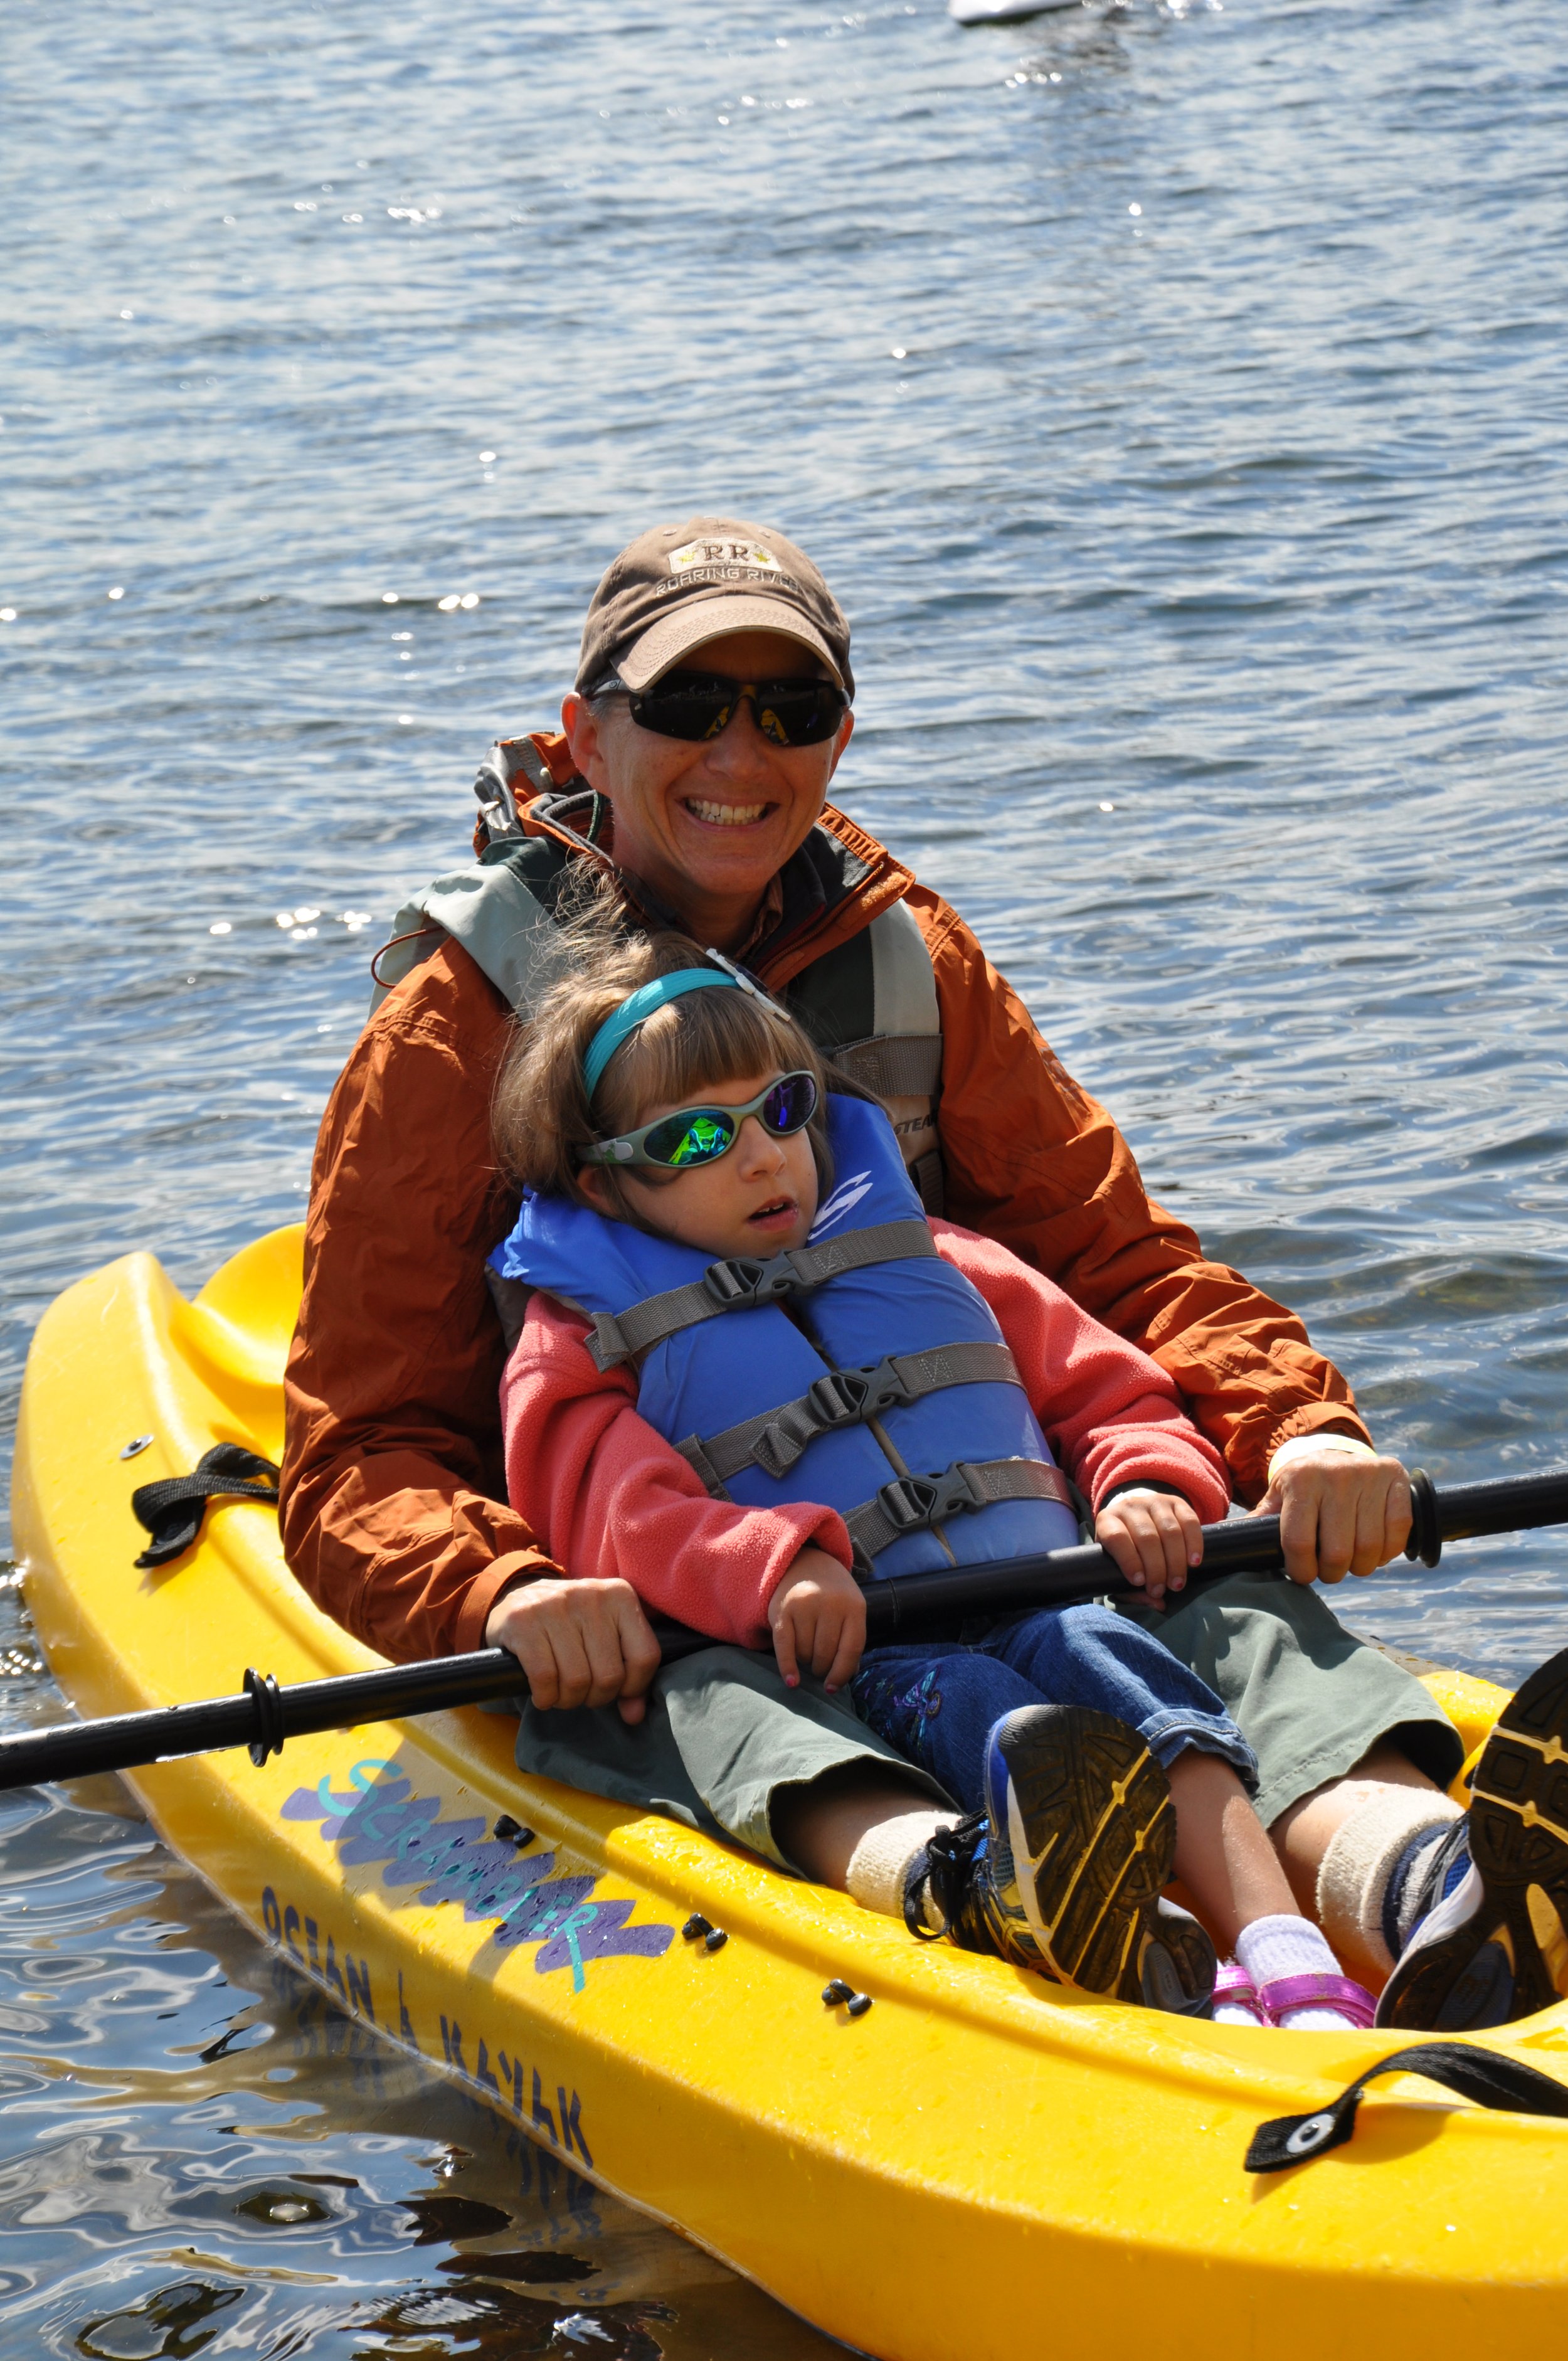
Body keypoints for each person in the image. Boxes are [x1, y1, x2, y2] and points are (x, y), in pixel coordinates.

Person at [280, 514, 1547, 2022]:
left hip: (992, 1537)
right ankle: (980, 1887)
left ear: (836, 737)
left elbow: (1114, 1262)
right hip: (699, 1588)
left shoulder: (908, 954)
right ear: (585, 735)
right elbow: (359, 1448)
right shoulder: (449, 1035)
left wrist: (1298, 1427)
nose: (739, 751)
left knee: (1222, 1605)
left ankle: (1424, 1882)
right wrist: (502, 1586)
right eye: (688, 706)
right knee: (724, 1706)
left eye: (790, 710)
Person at [485, 913, 1385, 2030]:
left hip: (1038, 1597)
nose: (764, 1156)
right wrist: (773, 1569)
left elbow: (1102, 1389)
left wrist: (1143, 1479)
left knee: (1115, 1662)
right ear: (607, 1187)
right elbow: (616, 1515)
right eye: (693, 1141)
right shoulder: (582, 1342)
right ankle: (1154, 1959)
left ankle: (1287, 1951)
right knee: (993, 1718)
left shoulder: (941, 1261)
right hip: (854, 1659)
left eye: (783, 1109)